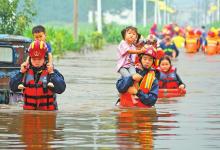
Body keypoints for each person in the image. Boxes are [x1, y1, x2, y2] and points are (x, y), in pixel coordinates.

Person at [9, 40, 66, 110]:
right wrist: (21, 72)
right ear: (29, 59)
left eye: (39, 59)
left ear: (45, 59)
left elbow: (61, 89)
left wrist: (52, 73)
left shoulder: (52, 73)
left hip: (48, 116)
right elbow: (12, 87)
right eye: (34, 59)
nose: (36, 62)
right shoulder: (24, 73)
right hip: (29, 115)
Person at [117, 26, 145, 104]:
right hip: (122, 67)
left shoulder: (133, 46)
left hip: (130, 66)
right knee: (129, 78)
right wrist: (140, 51)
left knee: (135, 77)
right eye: (129, 33)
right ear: (124, 35)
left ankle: (137, 94)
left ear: (135, 38)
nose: (131, 35)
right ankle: (132, 95)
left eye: (134, 34)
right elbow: (129, 51)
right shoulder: (123, 43)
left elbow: (135, 57)